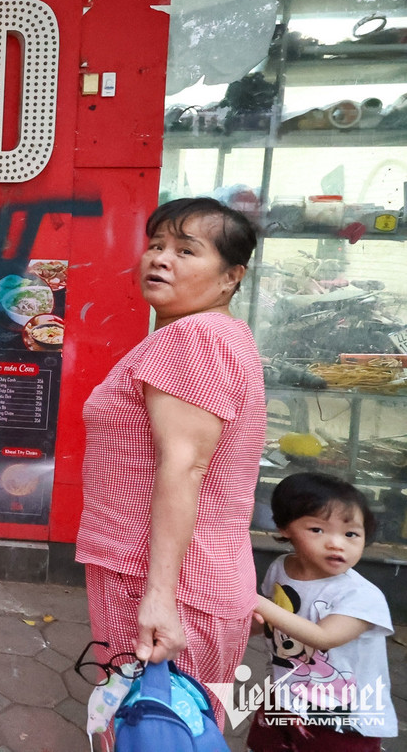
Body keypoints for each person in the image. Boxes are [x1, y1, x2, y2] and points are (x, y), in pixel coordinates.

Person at [76, 197, 265, 698]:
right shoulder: (204, 334)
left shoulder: (197, 339)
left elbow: (185, 468)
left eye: (186, 250)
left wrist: (160, 598)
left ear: (231, 276)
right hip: (177, 575)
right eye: (156, 245)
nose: (160, 258)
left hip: (171, 585)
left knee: (155, 725)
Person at [249, 473, 397, 751]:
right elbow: (269, 620)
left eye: (351, 533)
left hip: (344, 719)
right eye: (317, 530)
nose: (337, 543)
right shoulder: (281, 568)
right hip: (284, 699)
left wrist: (253, 600)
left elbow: (323, 637)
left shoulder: (362, 596)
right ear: (284, 528)